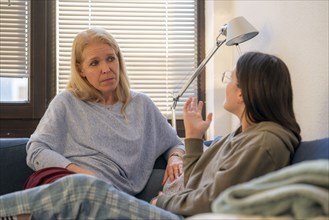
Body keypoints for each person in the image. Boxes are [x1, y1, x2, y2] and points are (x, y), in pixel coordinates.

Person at [0, 51, 301, 219]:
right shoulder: (238, 137)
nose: (226, 84)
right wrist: (194, 139)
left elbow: (214, 200)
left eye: (230, 78)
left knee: (84, 189)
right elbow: (198, 181)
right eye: (94, 63)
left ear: (247, 91)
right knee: (82, 190)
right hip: (172, 207)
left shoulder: (265, 142)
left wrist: (161, 202)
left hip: (172, 213)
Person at [24, 27, 185, 195]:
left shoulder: (141, 104)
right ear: (81, 70)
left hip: (117, 197)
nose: (106, 69)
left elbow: (174, 143)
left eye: (110, 59)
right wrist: (82, 175)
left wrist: (175, 158)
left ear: (119, 60)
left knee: (187, 178)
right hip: (79, 189)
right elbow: (36, 150)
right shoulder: (66, 102)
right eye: (94, 63)